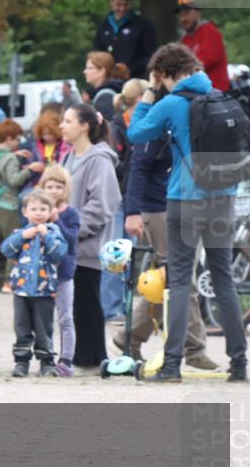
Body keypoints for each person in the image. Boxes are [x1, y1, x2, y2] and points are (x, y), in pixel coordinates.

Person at [127, 42, 247, 382]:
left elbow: (136, 133)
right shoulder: (220, 96)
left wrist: (149, 93)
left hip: (186, 199)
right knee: (223, 280)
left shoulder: (172, 103)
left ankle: (171, 366)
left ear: (162, 74)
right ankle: (239, 363)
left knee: (180, 280)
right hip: (224, 198)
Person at [112, 112, 220, 371]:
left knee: (169, 281)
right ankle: (193, 349)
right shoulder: (161, 120)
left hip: (184, 206)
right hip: (161, 209)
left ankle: (130, 337)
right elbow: (138, 168)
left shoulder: (191, 117)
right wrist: (133, 211)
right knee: (180, 278)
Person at [59, 103, 121, 369]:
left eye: (68, 121)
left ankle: (93, 359)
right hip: (67, 245)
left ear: (84, 126)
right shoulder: (67, 158)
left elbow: (103, 204)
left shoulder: (99, 160)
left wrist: (74, 229)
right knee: (72, 304)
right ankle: (76, 356)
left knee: (87, 301)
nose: (62, 126)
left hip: (86, 245)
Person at [1, 190, 68, 377]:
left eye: (43, 209)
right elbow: (6, 250)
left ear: (50, 212)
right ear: (25, 212)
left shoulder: (54, 232)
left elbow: (60, 254)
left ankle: (47, 362)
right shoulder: (20, 233)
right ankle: (21, 362)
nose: (38, 213)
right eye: (34, 209)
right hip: (21, 290)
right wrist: (23, 236)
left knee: (43, 328)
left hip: (44, 291)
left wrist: (47, 236)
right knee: (21, 327)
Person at [100, 77, 149, 322]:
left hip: (133, 197)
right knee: (115, 253)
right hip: (118, 197)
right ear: (139, 99)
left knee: (127, 254)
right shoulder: (117, 127)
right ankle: (110, 309)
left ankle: (122, 307)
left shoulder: (141, 125)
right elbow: (115, 164)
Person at [0, 119, 38, 294]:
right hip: (7, 205)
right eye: (17, 138)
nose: (19, 142)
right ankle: (8, 282)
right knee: (14, 243)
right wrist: (30, 169)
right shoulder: (10, 157)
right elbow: (13, 180)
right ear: (10, 138)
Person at [38, 166, 80, 377]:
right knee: (43, 319)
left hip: (63, 274)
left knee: (65, 318)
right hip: (42, 274)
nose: (54, 191)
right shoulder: (39, 213)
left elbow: (71, 240)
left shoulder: (70, 213)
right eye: (50, 186)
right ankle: (46, 358)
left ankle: (66, 360)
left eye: (58, 186)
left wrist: (56, 220)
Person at [92, 0, 157, 79]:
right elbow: (96, 53)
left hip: (134, 79)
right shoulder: (104, 26)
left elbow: (151, 55)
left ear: (131, 2)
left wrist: (130, 70)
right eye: (118, 5)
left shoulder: (143, 25)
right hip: (108, 79)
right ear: (111, 2)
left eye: (126, 4)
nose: (122, 9)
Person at [177, 3, 230, 92]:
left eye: (187, 13)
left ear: (198, 13)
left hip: (215, 92)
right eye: (180, 15)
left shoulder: (208, 30)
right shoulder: (184, 39)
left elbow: (207, 60)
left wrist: (181, 67)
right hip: (195, 92)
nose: (183, 19)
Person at [17, 109, 70, 191]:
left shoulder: (64, 146)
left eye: (50, 134)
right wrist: (31, 167)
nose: (47, 137)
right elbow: (28, 165)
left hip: (57, 184)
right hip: (36, 183)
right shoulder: (35, 146)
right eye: (44, 134)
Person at [82, 51, 126, 123]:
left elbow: (108, 127)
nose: (84, 72)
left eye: (89, 68)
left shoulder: (105, 97)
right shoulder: (109, 92)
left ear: (102, 71)